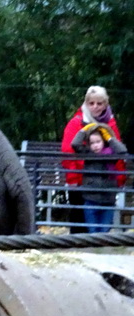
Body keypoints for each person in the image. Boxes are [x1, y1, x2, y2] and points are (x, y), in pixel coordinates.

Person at [61, 86, 123, 232]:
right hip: (83, 180)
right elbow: (68, 151)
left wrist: (119, 178)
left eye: (99, 103)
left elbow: (119, 152)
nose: (95, 107)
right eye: (91, 103)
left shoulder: (110, 124)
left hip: (106, 183)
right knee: (80, 223)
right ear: (86, 103)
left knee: (103, 224)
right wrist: (73, 178)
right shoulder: (76, 122)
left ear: (105, 104)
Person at [70, 123, 127, 232]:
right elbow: (75, 144)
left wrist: (109, 137)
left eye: (98, 142)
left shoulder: (112, 155)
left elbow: (122, 150)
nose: (95, 145)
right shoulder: (88, 153)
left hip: (108, 199)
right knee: (93, 230)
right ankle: (94, 248)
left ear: (104, 142)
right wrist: (84, 130)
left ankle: (102, 249)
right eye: (92, 143)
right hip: (90, 198)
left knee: (105, 230)